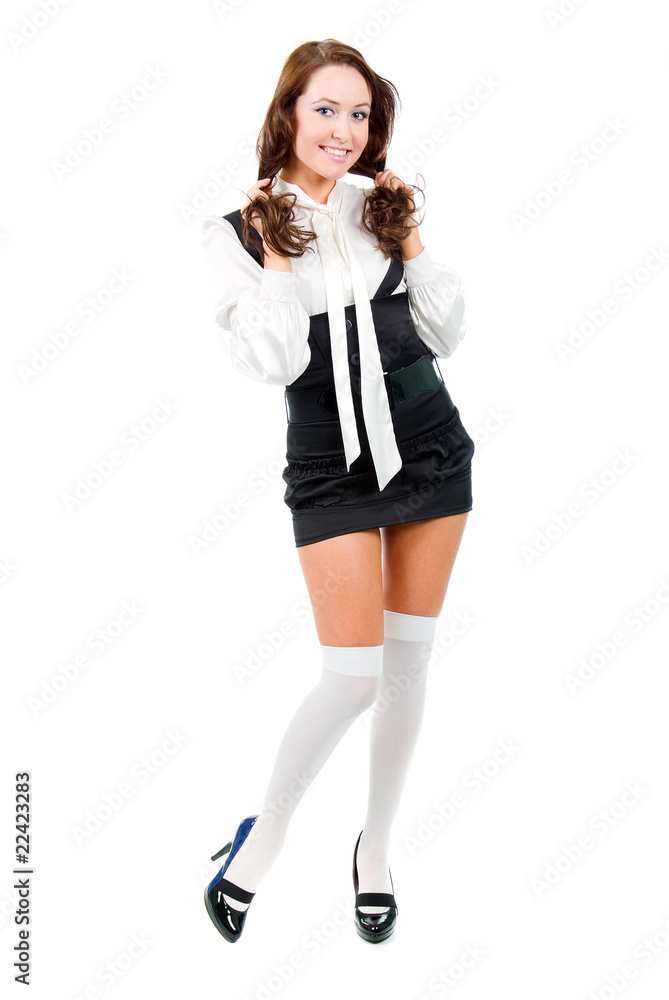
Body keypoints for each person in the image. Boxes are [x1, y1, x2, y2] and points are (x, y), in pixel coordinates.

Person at [201, 38, 476, 944]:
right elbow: (273, 360)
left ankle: (376, 850)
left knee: (406, 668)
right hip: (328, 463)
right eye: (325, 109)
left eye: (359, 115)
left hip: (430, 445)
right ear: (287, 113)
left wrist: (409, 233)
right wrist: (278, 255)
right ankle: (265, 839)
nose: (343, 131)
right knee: (352, 677)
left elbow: (446, 330)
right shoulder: (234, 231)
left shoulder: (374, 206)